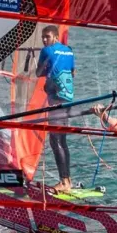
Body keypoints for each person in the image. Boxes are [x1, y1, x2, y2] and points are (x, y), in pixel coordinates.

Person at [37, 25, 75, 192]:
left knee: (55, 141)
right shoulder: (69, 50)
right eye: (43, 37)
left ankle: (64, 183)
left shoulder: (47, 51)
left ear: (56, 37)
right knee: (62, 141)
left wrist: (46, 68)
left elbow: (38, 73)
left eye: (47, 36)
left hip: (56, 102)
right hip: (68, 100)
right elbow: (73, 73)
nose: (45, 40)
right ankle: (68, 180)